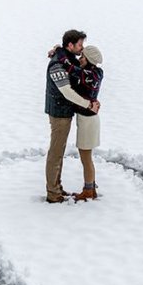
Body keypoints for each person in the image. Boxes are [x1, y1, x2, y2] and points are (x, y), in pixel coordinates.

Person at [45, 30, 100, 203]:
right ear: (70, 45)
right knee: (56, 153)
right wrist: (88, 104)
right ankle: (53, 193)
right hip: (59, 113)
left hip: (65, 111)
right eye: (79, 45)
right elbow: (67, 92)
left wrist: (57, 49)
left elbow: (79, 70)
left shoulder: (67, 58)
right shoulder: (58, 65)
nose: (81, 49)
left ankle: (57, 188)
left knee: (59, 152)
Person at [56, 45, 104, 201]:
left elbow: (69, 65)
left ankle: (88, 190)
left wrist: (59, 50)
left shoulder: (87, 74)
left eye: (82, 56)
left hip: (87, 121)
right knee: (87, 157)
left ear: (89, 60)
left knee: (86, 158)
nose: (79, 58)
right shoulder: (96, 72)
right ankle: (91, 187)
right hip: (89, 118)